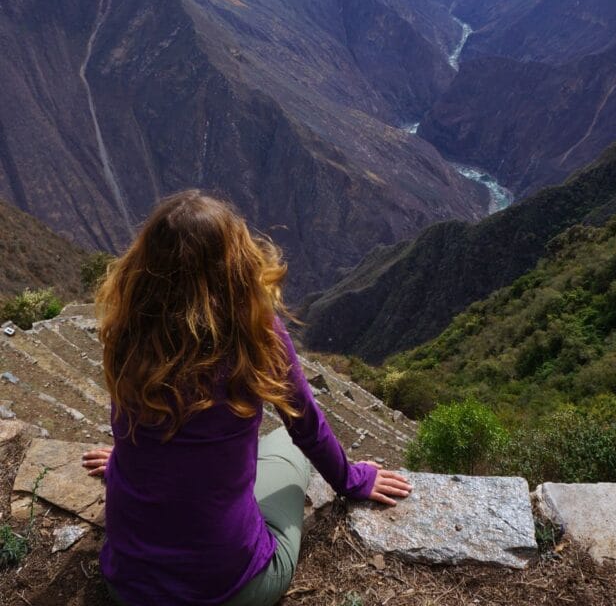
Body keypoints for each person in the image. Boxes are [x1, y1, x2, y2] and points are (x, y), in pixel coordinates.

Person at [82, 190, 412, 606]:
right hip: (231, 590)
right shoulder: (257, 335)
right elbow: (304, 424)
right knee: (280, 451)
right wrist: (352, 480)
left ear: (145, 263)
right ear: (234, 262)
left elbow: (134, 425)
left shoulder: (128, 332)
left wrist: (122, 464)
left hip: (126, 585)